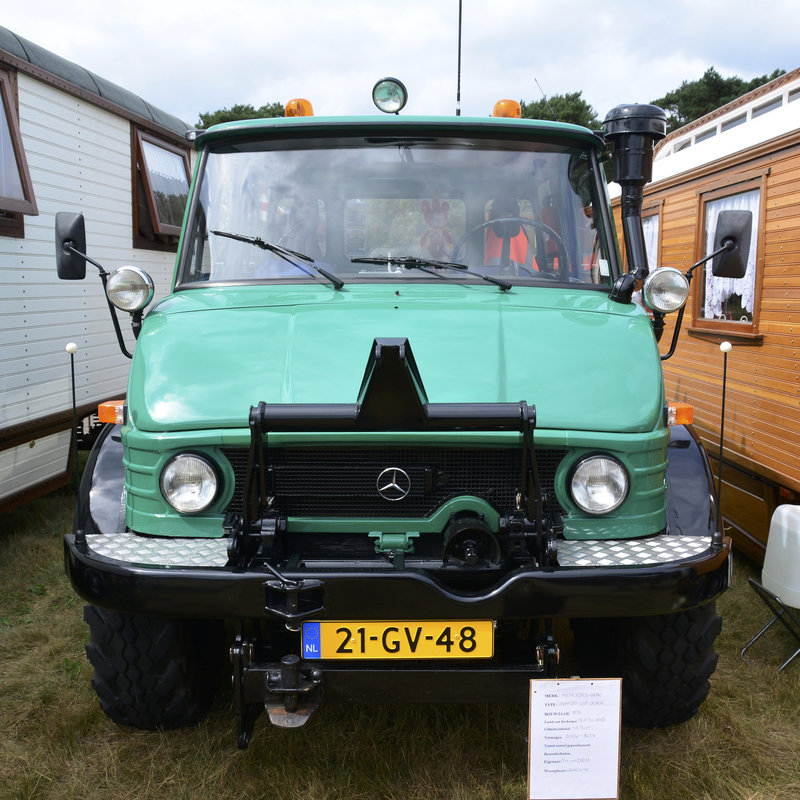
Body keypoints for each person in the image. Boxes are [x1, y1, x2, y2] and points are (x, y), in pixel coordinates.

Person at [483, 196, 538, 271]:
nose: (506, 217)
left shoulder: (489, 226)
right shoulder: (522, 231)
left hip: (528, 281)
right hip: (488, 280)